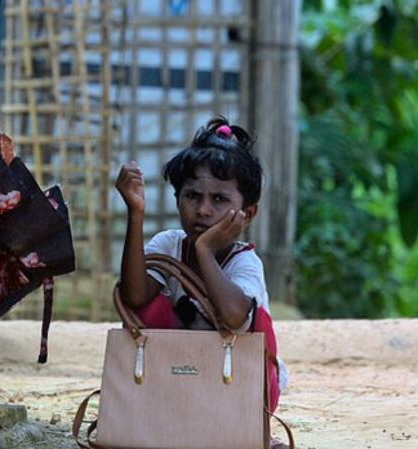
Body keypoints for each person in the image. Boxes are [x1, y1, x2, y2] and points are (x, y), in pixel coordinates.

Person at [114, 117, 288, 445]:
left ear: (247, 213)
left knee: (246, 315)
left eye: (219, 200)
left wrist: (204, 250)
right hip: (176, 381)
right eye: (192, 196)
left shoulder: (245, 262)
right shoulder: (168, 245)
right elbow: (134, 297)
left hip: (237, 387)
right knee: (151, 306)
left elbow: (235, 318)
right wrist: (135, 213)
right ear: (178, 198)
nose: (203, 210)